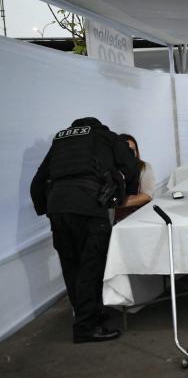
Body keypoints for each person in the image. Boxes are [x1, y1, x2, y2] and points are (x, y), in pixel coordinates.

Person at [30, 117, 139, 343]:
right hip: (89, 206)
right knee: (92, 265)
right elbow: (130, 165)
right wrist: (126, 193)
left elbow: (37, 181)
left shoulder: (61, 141)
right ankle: (86, 327)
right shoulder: (106, 136)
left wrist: (46, 209)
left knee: (72, 265)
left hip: (58, 209)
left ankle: (87, 314)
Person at [113, 134, 156, 222]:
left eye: (133, 150)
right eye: (126, 150)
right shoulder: (112, 169)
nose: (130, 153)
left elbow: (146, 196)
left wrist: (117, 204)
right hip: (117, 219)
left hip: (140, 216)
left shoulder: (144, 167)